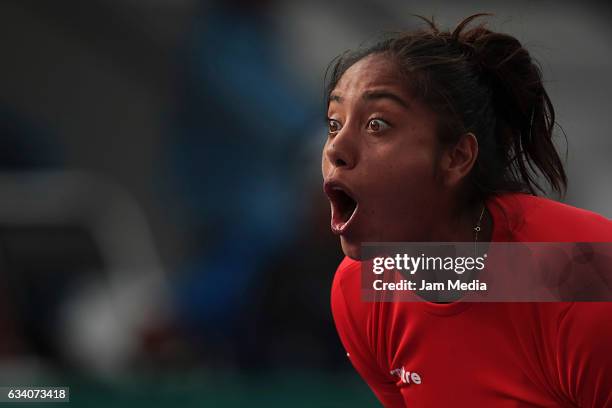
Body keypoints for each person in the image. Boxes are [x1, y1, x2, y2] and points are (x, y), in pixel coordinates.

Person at [322, 14, 612, 407]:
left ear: (456, 157)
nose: (335, 149)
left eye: (377, 124)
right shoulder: (359, 292)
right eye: (334, 123)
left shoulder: (584, 280)